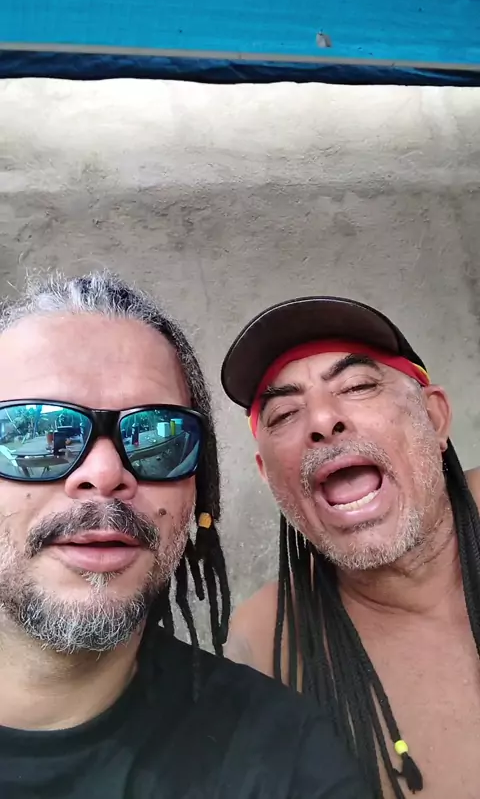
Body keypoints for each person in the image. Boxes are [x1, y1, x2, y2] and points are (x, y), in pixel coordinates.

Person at [0, 275, 369, 799]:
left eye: (157, 436)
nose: (104, 474)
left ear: (196, 494)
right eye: (34, 434)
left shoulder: (287, 761)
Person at [221, 295, 480, 799]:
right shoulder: (265, 646)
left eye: (358, 386)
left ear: (434, 417)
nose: (322, 419)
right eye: (284, 413)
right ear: (268, 475)